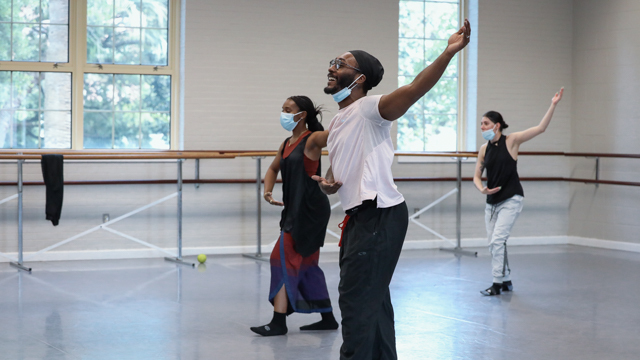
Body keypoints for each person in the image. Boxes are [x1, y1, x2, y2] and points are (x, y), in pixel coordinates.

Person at [312, 20, 471, 360]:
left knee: (356, 302)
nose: (331, 67)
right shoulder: (340, 119)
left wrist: (447, 52)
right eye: (332, 62)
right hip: (359, 219)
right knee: (373, 301)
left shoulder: (370, 109)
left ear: (360, 79)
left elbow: (414, 90)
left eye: (340, 64)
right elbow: (339, 167)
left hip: (379, 216)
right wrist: (328, 184)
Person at [250, 96, 339, 336]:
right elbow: (272, 168)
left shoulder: (311, 139)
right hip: (295, 209)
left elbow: (332, 135)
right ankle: (328, 317)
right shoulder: (286, 143)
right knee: (308, 265)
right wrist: (267, 191)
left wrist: (353, 119)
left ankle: (278, 322)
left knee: (279, 258)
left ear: (302, 115)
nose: (284, 113)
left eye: (288, 110)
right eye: (282, 109)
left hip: (310, 211)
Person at [473, 87, 564, 296]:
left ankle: (496, 284)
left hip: (511, 198)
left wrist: (553, 104)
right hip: (492, 201)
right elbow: (477, 176)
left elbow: (540, 128)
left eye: (485, 123)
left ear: (496, 126)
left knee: (497, 241)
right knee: (494, 243)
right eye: (480, 124)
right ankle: (506, 280)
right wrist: (482, 190)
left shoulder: (512, 141)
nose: (482, 127)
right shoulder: (484, 149)